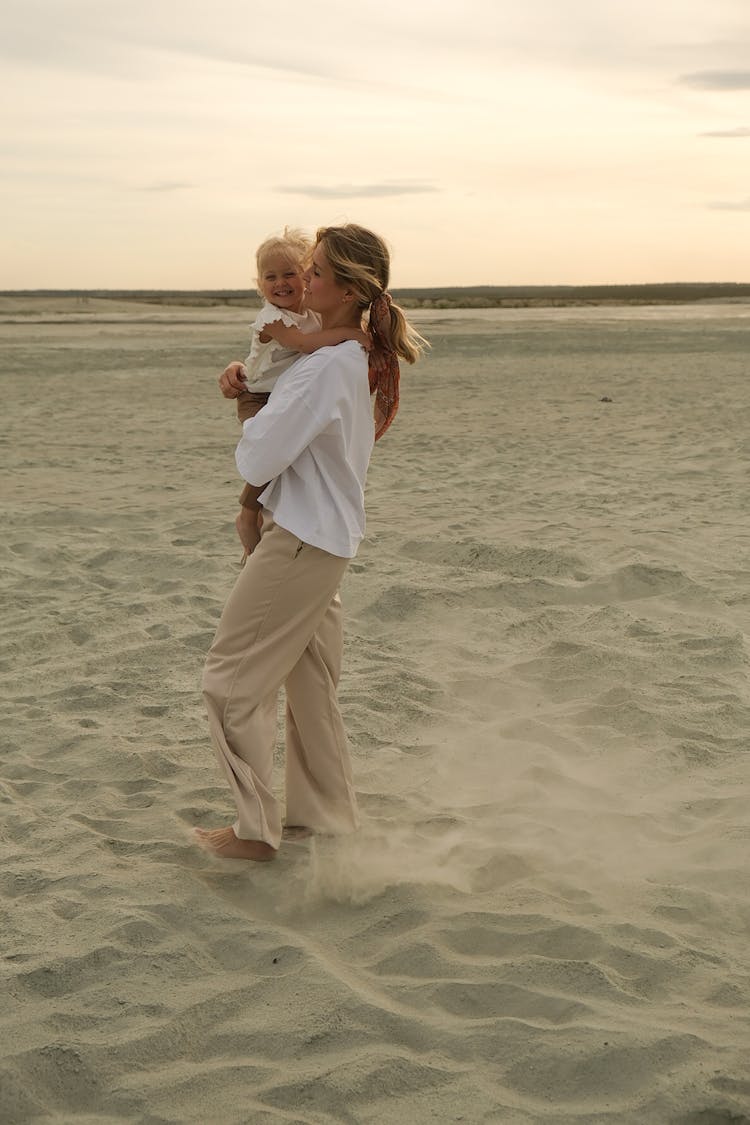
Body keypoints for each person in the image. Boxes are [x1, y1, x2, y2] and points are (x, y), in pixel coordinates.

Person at [195, 223, 428, 861]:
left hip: (300, 536)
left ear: (350, 289)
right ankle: (325, 820)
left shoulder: (326, 366)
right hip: (323, 535)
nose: (303, 279)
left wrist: (248, 413)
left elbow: (258, 456)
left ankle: (253, 833)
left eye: (318, 270)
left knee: (228, 680)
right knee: (311, 684)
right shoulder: (337, 357)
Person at [231, 227, 369, 560]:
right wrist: (353, 333)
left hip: (278, 391)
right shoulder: (272, 318)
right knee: (270, 453)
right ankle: (247, 514)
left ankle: (254, 516)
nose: (281, 283)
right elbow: (303, 345)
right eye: (270, 277)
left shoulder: (307, 310)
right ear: (259, 284)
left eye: (291, 274)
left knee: (282, 454)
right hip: (258, 395)